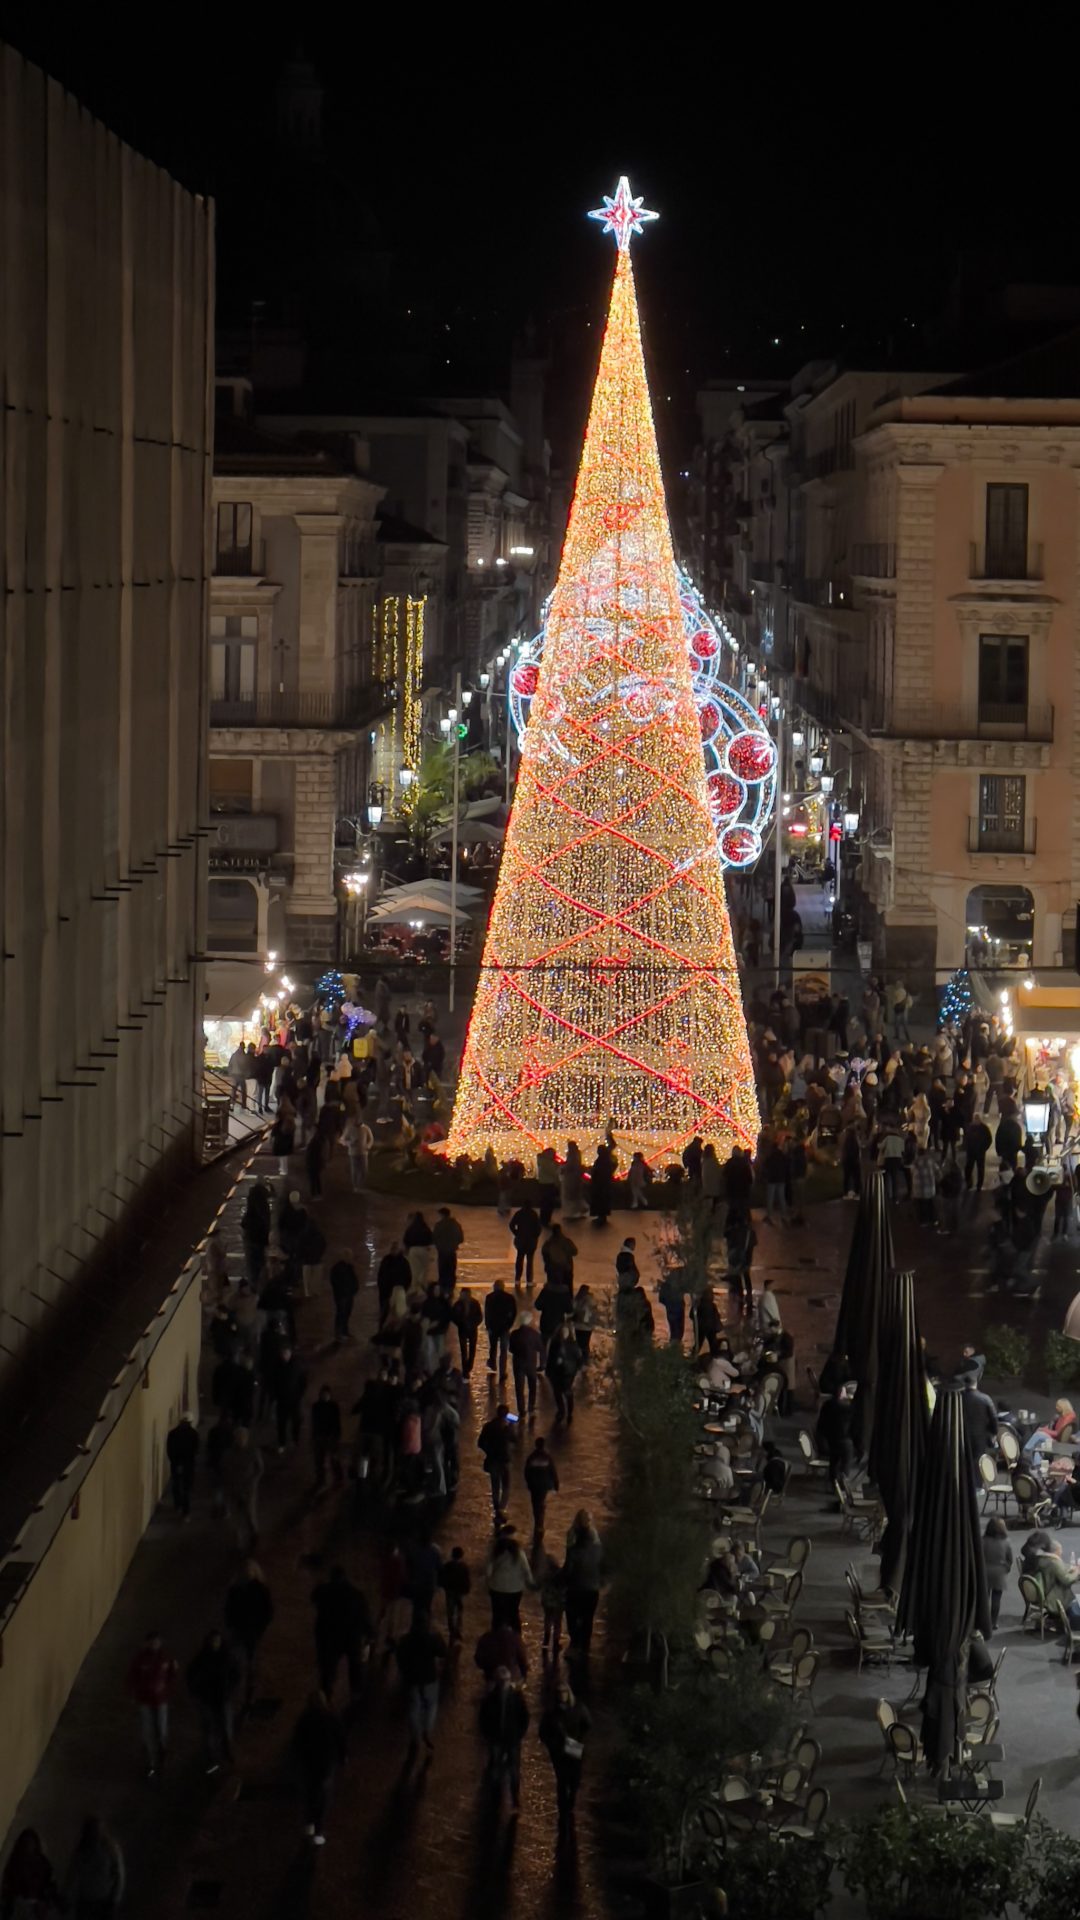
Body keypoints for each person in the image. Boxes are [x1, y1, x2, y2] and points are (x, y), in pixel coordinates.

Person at [291, 1689, 346, 1846]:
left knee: (310, 1793)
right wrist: (343, 1757)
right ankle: (318, 1831)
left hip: (309, 1762)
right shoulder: (331, 1717)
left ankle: (309, 1824)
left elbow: (297, 1741)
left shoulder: (304, 1719)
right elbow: (340, 1739)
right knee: (322, 1796)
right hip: (326, 1763)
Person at [311, 1565, 373, 1702]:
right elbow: (364, 1616)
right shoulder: (356, 1594)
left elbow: (313, 1597)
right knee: (355, 1666)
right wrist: (370, 1633)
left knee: (328, 1669)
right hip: (351, 1636)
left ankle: (325, 1697)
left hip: (330, 1636)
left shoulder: (324, 1591)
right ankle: (355, 1695)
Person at [395, 1609, 448, 1761]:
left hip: (412, 1680)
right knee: (431, 1706)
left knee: (414, 1708)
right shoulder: (432, 1639)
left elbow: (399, 1658)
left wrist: (405, 1672)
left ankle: (415, 1737)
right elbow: (443, 1652)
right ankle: (427, 1731)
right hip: (429, 1679)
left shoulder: (406, 1640)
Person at [187, 1629, 240, 1774]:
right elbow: (190, 1675)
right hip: (207, 1699)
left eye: (217, 1641)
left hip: (223, 1698)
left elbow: (236, 1674)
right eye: (212, 1641)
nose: (215, 1643)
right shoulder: (202, 1658)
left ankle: (226, 1753)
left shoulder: (227, 1657)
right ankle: (211, 1757)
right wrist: (196, 1692)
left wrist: (230, 1689)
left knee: (226, 1728)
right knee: (209, 1730)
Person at [127, 1630, 178, 1778]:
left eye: (156, 1642)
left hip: (160, 1700)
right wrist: (133, 1693)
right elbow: (132, 1677)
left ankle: (161, 1754)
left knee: (161, 1730)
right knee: (148, 1732)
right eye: (152, 1642)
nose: (154, 1644)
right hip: (145, 1700)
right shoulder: (140, 1659)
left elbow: (171, 1676)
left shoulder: (165, 1658)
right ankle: (151, 1762)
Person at [479, 1666, 530, 1809]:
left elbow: (524, 1717)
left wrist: (519, 1734)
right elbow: (483, 1719)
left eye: (505, 1681)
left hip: (512, 1739)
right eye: (501, 1681)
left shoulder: (516, 1697)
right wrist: (488, 1736)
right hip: (496, 1739)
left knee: (513, 1770)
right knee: (496, 1769)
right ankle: (496, 1798)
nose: (503, 1684)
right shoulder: (490, 1698)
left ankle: (514, 1799)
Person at [224, 1560, 274, 1706]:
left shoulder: (259, 1589)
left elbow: (268, 1611)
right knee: (237, 1661)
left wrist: (259, 1628)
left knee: (250, 1664)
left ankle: (248, 1695)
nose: (247, 1573)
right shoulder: (236, 1589)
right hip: (240, 1630)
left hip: (251, 1631)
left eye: (250, 1570)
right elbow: (228, 1609)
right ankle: (238, 1693)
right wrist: (231, 1625)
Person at [63, 1817, 125, 1920]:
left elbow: (119, 1875)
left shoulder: (110, 1849)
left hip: (104, 1902)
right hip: (86, 1902)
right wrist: (66, 1897)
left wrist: (115, 1899)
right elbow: (72, 1876)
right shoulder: (81, 1852)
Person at [564, 1510, 605, 1654]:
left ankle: (575, 1644)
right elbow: (604, 1567)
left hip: (576, 1589)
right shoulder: (599, 1549)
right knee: (588, 1620)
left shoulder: (574, 1551)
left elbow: (568, 1570)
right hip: (592, 1589)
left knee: (572, 1617)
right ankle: (585, 1648)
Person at [220, 1426, 263, 1552]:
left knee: (249, 1514)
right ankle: (238, 1542)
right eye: (239, 1438)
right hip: (233, 1489)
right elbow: (224, 1470)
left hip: (248, 1490)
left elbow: (259, 1469)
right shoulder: (228, 1454)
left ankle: (254, 1533)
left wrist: (253, 1482)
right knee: (236, 1518)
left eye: (243, 1437)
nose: (241, 1440)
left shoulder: (253, 1452)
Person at [2, 1829, 60, 1917]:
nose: (30, 1846)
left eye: (32, 1843)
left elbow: (49, 1882)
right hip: (22, 1903)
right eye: (27, 1843)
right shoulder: (16, 1863)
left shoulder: (42, 1862)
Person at [485, 1528, 534, 1629]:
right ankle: (516, 1635)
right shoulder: (519, 1553)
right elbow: (526, 1569)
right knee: (513, 1614)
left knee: (497, 1615)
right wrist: (531, 1582)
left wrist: (488, 1583)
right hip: (515, 1588)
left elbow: (488, 1571)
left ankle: (497, 1635)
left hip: (497, 1587)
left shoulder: (494, 1552)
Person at [478, 1405, 514, 1517]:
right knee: (506, 1485)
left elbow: (480, 1443)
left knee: (495, 1485)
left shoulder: (488, 1426)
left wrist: (488, 1451)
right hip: (504, 1460)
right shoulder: (506, 1428)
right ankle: (501, 1509)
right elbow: (514, 1439)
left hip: (492, 1460)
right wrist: (512, 1427)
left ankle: (496, 1507)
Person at [271, 1345, 307, 1453]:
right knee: (281, 1423)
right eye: (283, 1354)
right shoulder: (277, 1365)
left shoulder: (297, 1365)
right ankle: (282, 1443)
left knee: (296, 1421)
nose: (284, 1356)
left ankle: (295, 1440)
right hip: (281, 1400)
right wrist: (275, 1395)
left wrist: (299, 1395)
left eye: (286, 1353)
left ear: (290, 1353)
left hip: (294, 1400)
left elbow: (303, 1381)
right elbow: (273, 1381)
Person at [509, 1309, 544, 1419]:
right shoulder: (535, 1334)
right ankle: (531, 1408)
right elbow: (541, 1348)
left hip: (518, 1364)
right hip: (531, 1363)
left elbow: (511, 1349)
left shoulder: (514, 1334)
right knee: (532, 1386)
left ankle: (521, 1410)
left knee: (519, 1388)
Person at [546, 1322, 582, 1424]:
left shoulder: (572, 1345)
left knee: (567, 1392)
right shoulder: (555, 1343)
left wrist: (574, 1369)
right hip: (556, 1373)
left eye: (566, 1331)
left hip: (567, 1374)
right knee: (557, 1392)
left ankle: (569, 1412)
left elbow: (578, 1359)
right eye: (563, 1331)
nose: (564, 1334)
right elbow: (550, 1357)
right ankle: (561, 1410)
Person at [165, 1410, 198, 1520]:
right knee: (186, 1488)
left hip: (176, 1464)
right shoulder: (194, 1434)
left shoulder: (172, 1434)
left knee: (176, 1485)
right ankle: (185, 1512)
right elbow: (195, 1450)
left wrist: (175, 1462)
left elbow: (170, 1450)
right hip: (188, 1465)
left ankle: (178, 1505)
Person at [524, 1435, 560, 1534]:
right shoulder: (547, 1457)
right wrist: (556, 1484)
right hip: (543, 1485)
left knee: (535, 1503)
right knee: (541, 1503)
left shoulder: (531, 1457)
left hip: (534, 1486)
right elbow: (553, 1472)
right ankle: (540, 1523)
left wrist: (528, 1482)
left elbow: (527, 1472)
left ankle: (537, 1522)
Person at [311, 1384, 345, 1489]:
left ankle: (338, 1478)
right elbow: (314, 1422)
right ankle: (321, 1480)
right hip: (319, 1436)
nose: (325, 1396)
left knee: (334, 1459)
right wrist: (314, 1436)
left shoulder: (334, 1406)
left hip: (331, 1437)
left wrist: (337, 1436)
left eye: (327, 1394)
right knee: (319, 1461)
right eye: (323, 1394)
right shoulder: (316, 1406)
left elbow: (337, 1422)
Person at [982, 1517, 1013, 1632]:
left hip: (984, 1571)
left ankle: (983, 1621)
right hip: (999, 1573)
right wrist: (1006, 1568)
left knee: (984, 1599)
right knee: (996, 1599)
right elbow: (1010, 1559)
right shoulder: (1006, 1542)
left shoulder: (983, 1540)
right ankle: (993, 1622)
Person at [484, 1279, 516, 1381]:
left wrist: (488, 1326)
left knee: (493, 1347)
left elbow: (487, 1313)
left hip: (493, 1327)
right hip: (505, 1327)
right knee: (503, 1350)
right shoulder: (509, 1298)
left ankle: (493, 1364)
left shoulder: (489, 1297)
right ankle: (502, 1371)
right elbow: (513, 1312)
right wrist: (509, 1324)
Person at [438, 1546, 471, 1642]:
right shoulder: (464, 1567)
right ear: (462, 1555)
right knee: (460, 1610)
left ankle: (451, 1630)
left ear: (452, 1555)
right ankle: (458, 1629)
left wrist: (443, 1586)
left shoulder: (447, 1565)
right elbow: (467, 1580)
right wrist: (466, 1590)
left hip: (450, 1591)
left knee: (450, 1611)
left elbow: (442, 1577)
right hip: (459, 1591)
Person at [327, 1249, 359, 1346]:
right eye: (349, 1256)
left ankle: (345, 1331)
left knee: (347, 1313)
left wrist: (354, 1289)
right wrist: (343, 1291)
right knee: (341, 1314)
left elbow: (354, 1279)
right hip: (341, 1296)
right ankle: (339, 1334)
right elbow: (335, 1282)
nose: (351, 1258)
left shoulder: (349, 1267)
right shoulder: (337, 1268)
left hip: (349, 1295)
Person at [509, 1201, 542, 1288]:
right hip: (531, 1241)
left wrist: (517, 1233)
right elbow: (539, 1228)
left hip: (521, 1241)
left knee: (519, 1260)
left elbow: (511, 1225)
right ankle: (529, 1281)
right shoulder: (534, 1214)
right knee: (530, 1261)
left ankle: (517, 1279)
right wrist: (535, 1236)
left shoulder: (519, 1213)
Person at [451, 1286, 483, 1375]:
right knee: (464, 1350)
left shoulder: (475, 1303)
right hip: (463, 1329)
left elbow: (479, 1316)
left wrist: (474, 1324)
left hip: (472, 1329)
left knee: (472, 1350)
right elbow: (453, 1316)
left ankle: (469, 1366)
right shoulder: (458, 1304)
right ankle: (465, 1369)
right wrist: (460, 1323)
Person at [433, 1207, 465, 1292]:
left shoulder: (438, 1225)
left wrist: (439, 1245)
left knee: (442, 1271)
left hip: (442, 1252)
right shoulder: (456, 1225)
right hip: (451, 1252)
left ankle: (442, 1289)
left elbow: (434, 1238)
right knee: (451, 1271)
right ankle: (450, 1289)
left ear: (441, 1215)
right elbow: (461, 1238)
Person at [541, 1560, 567, 1656]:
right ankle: (556, 1643)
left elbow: (540, 1587)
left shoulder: (546, 1576)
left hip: (548, 1603)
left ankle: (546, 1641)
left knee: (547, 1620)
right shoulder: (561, 1577)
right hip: (558, 1604)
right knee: (557, 1623)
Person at [658, 1267, 686, 1346]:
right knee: (678, 1329)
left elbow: (661, 1299)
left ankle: (674, 1345)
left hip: (672, 1310)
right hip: (676, 1309)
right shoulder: (678, 1284)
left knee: (675, 1329)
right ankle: (675, 1345)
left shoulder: (667, 1285)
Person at [560, 1141, 588, 1220]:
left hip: (571, 1178)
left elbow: (571, 1165)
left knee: (570, 1196)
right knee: (575, 1196)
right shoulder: (577, 1154)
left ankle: (572, 1213)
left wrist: (564, 1168)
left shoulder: (572, 1155)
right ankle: (577, 1212)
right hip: (576, 1177)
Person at [572, 1284, 598, 1365]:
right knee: (584, 1344)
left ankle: (582, 1359)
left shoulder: (581, 1300)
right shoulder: (590, 1300)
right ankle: (584, 1360)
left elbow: (575, 1309)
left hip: (581, 1326)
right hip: (585, 1327)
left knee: (581, 1344)